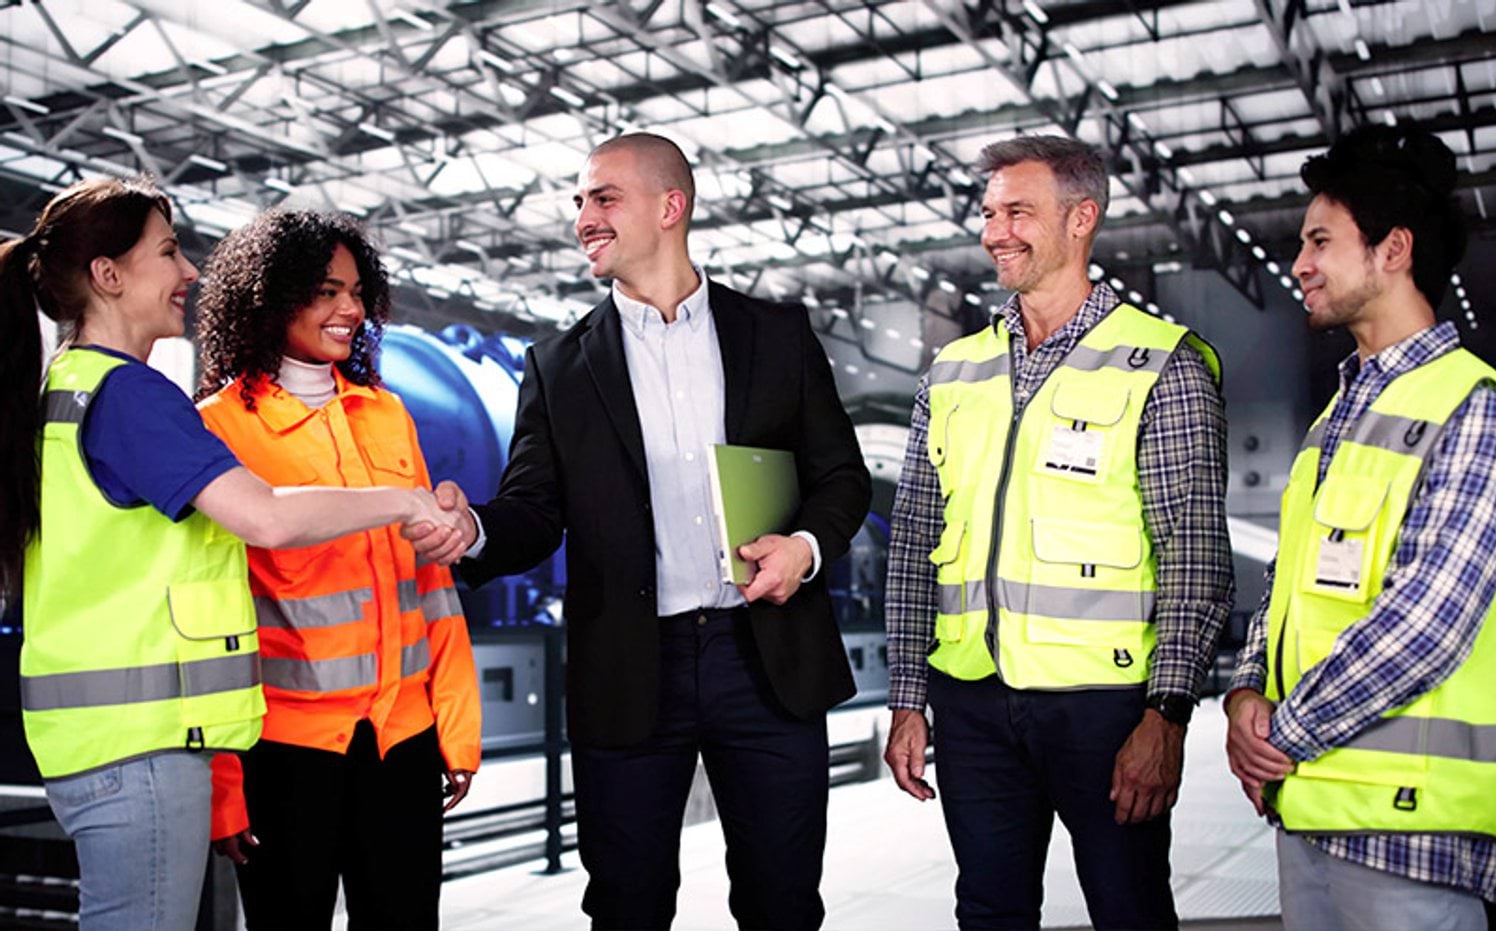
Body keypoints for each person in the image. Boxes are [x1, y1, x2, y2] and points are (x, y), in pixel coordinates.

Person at [408, 132, 871, 930]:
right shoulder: (558, 364)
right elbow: (533, 509)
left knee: (783, 897)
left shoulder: (776, 333)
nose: (583, 217)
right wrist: (475, 528)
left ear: (671, 206)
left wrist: (803, 547)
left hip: (763, 657)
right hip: (629, 665)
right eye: (581, 201)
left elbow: (841, 477)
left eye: (603, 197)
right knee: (626, 904)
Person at [0, 177, 459, 931]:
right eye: (169, 251)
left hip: (104, 744)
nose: (189, 272)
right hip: (143, 749)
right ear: (108, 276)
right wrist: (404, 499)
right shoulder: (132, 397)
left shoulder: (66, 391)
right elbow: (264, 517)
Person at [882, 135, 1234, 930]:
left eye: (1018, 212)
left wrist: (1166, 714)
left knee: (1128, 907)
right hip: (971, 698)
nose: (994, 231)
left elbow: (1196, 554)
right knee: (989, 909)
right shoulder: (953, 371)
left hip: (1104, 708)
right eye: (988, 212)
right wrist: (909, 694)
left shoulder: (1160, 362)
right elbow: (913, 545)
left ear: (1082, 219)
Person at [1224, 124, 1496, 930]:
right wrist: (1246, 689)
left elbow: (1428, 622)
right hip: (1310, 813)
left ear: (1392, 251)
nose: (1300, 264)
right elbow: (1288, 592)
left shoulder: (1475, 411)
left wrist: (1281, 732)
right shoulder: (1333, 423)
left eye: (1320, 240)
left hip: (1414, 832)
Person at [194, 209, 481, 930]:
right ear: (272, 295)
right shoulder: (220, 426)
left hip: (402, 739)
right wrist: (226, 786)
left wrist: (456, 724)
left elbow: (432, 585)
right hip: (286, 754)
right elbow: (211, 618)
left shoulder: (387, 414)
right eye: (325, 291)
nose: (350, 308)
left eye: (355, 291)